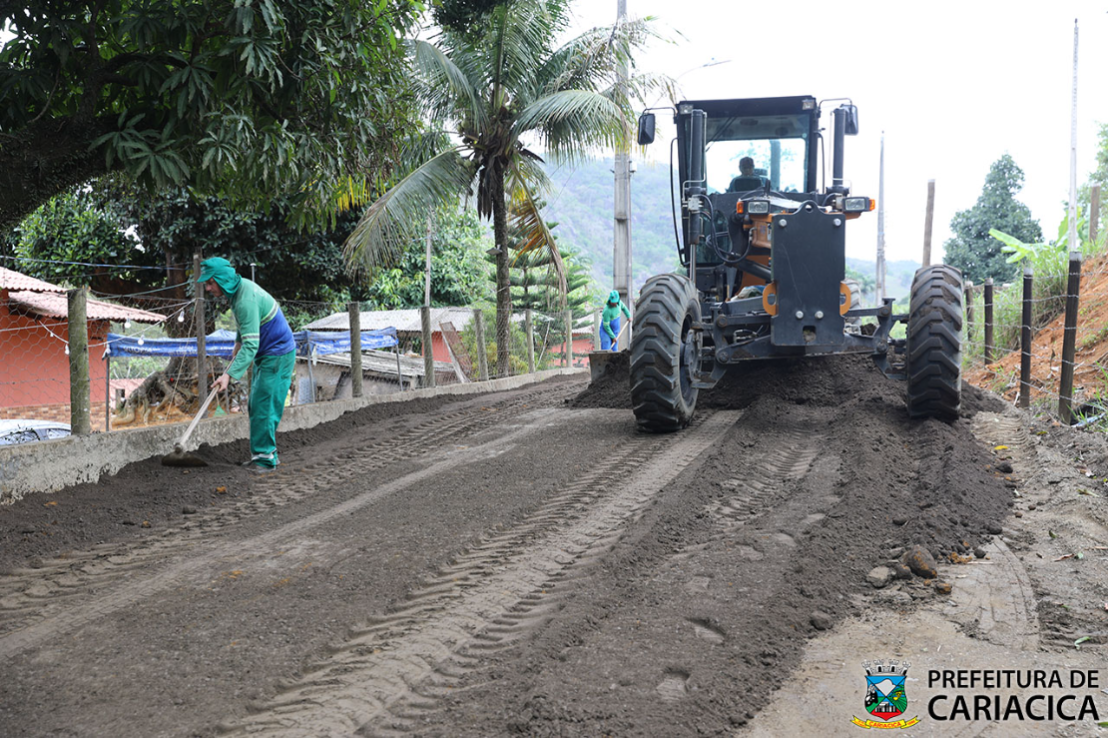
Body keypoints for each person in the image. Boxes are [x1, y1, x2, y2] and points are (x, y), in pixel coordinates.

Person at [198, 257, 296, 473]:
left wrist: (228, 375)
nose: (208, 288)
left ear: (223, 279)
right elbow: (245, 325)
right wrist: (237, 345)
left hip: (277, 353)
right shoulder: (238, 293)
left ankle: (265, 460)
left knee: (263, 404)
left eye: (210, 282)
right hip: (267, 353)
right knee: (257, 403)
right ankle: (266, 455)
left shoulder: (245, 299)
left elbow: (251, 345)